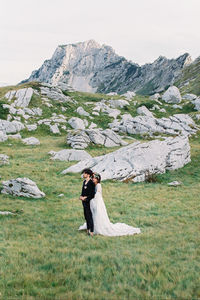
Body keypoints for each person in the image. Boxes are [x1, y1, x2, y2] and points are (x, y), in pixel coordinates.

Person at [79, 168, 95, 236]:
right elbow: (83, 191)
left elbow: (92, 194)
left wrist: (86, 198)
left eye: (85, 173)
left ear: (88, 174)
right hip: (84, 201)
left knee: (89, 216)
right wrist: (81, 196)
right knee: (86, 215)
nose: (84, 174)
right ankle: (88, 229)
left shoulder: (91, 183)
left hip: (89, 201)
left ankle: (91, 230)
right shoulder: (84, 181)